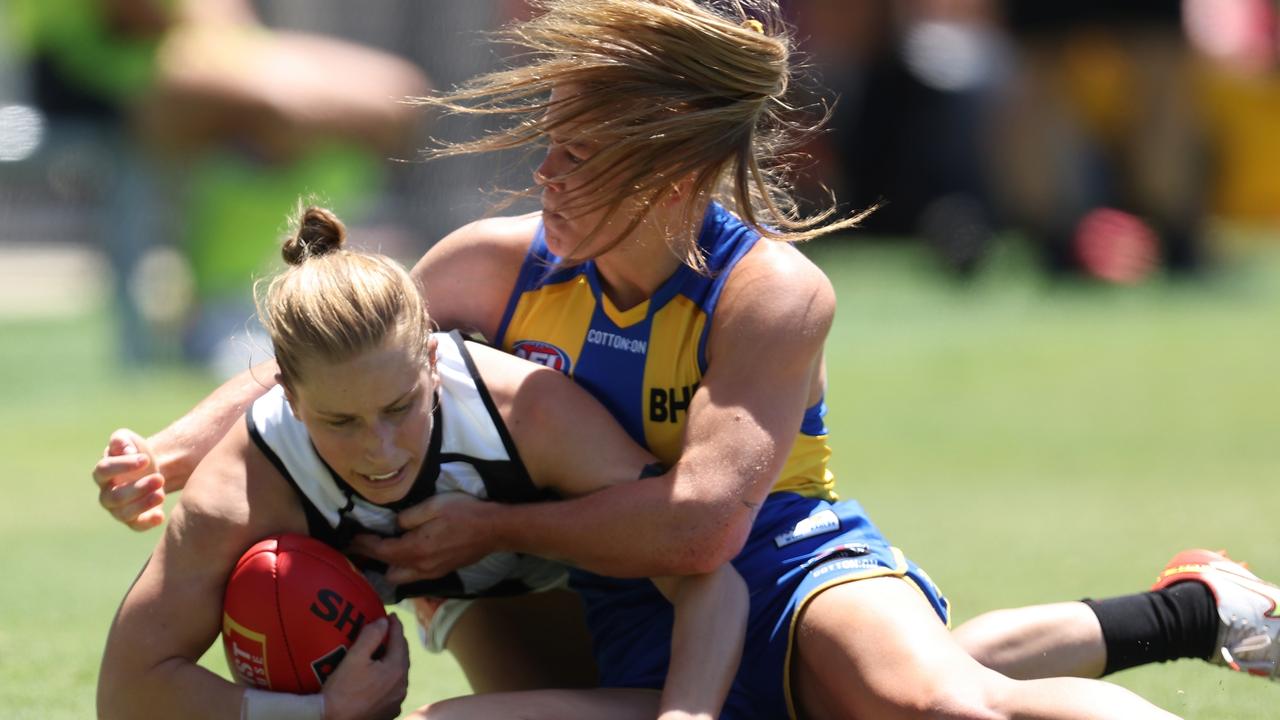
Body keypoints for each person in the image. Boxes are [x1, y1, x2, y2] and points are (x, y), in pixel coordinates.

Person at [92, 1, 1276, 716]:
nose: (543, 177)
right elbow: (340, 342)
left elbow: (704, 530)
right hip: (581, 589)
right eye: (547, 151)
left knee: (930, 703)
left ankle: (1179, 617)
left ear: (666, 177)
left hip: (774, 559)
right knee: (835, 703)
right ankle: (1189, 608)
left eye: (576, 159)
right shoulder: (498, 261)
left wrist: (495, 528)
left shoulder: (767, 291)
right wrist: (180, 447)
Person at [97, 206, 749, 720]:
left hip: (617, 623)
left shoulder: (529, 412)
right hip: (475, 606)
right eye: (340, 422)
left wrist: (685, 716)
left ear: (433, 361)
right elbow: (131, 693)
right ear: (288, 397)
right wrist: (315, 712)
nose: (380, 451)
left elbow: (706, 578)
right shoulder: (247, 481)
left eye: (400, 406)